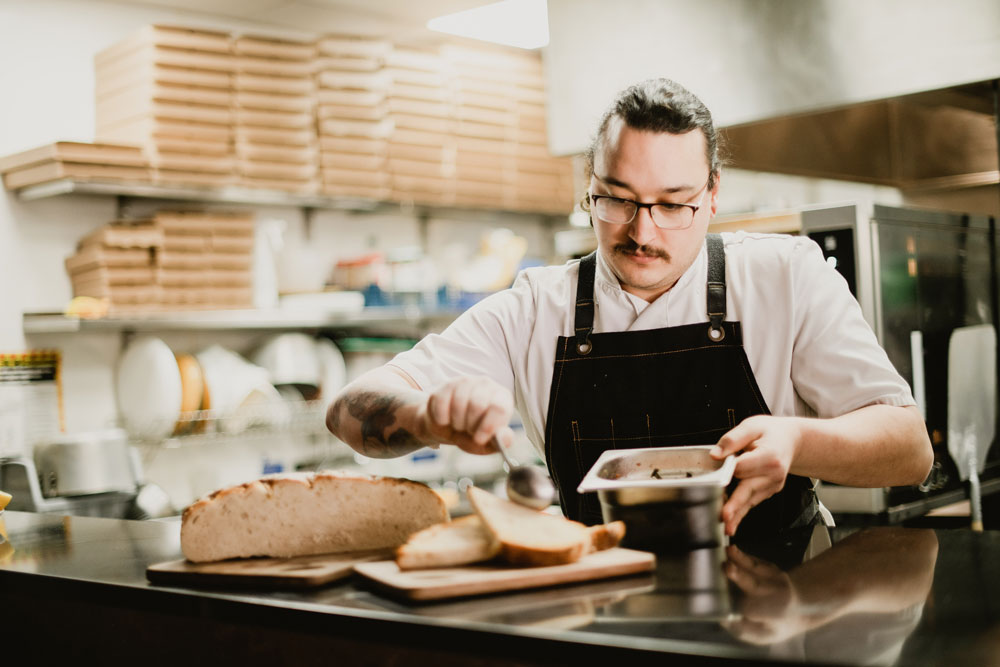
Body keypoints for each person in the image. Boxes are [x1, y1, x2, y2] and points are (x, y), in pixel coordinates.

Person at [326, 78, 933, 538]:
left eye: (674, 205)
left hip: (784, 612)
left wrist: (799, 441)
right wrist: (429, 416)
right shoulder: (538, 308)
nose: (643, 231)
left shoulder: (785, 276)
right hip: (601, 613)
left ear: (714, 193)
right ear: (586, 186)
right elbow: (348, 415)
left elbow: (910, 450)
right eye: (617, 200)